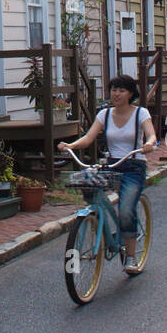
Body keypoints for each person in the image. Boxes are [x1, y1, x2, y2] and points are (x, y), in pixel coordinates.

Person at [58, 75, 156, 275]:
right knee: (87, 184)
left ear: (130, 94)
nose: (116, 94)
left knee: (126, 208)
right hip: (112, 164)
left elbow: (151, 134)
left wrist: (148, 144)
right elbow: (88, 137)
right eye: (113, 90)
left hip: (134, 165)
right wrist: (71, 146)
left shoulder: (141, 113)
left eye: (121, 90)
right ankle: (97, 222)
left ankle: (130, 256)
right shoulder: (104, 114)